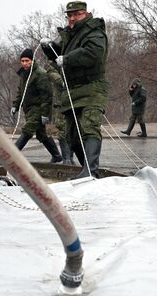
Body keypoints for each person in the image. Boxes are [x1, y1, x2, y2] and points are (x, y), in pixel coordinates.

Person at [41, 1, 108, 179]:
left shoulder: (94, 32)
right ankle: (85, 170)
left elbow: (93, 53)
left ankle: (90, 171)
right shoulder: (70, 35)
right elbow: (59, 54)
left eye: (76, 14)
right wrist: (50, 49)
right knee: (72, 134)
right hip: (73, 90)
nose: (72, 18)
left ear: (85, 13)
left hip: (92, 87)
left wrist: (67, 58)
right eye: (69, 15)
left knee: (89, 127)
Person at [11, 49, 62, 163]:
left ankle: (12, 155)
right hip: (29, 109)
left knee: (27, 130)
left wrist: (44, 114)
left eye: (27, 61)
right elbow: (21, 92)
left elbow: (47, 96)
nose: (24, 63)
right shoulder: (24, 74)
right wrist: (16, 105)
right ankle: (57, 156)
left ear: (32, 61)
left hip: (38, 109)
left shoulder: (40, 74)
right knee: (42, 134)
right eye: (22, 61)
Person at [45, 61, 74, 164]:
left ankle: (70, 157)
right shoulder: (54, 61)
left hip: (75, 99)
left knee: (73, 130)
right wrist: (61, 81)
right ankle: (66, 158)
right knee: (62, 129)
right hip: (61, 102)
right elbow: (50, 71)